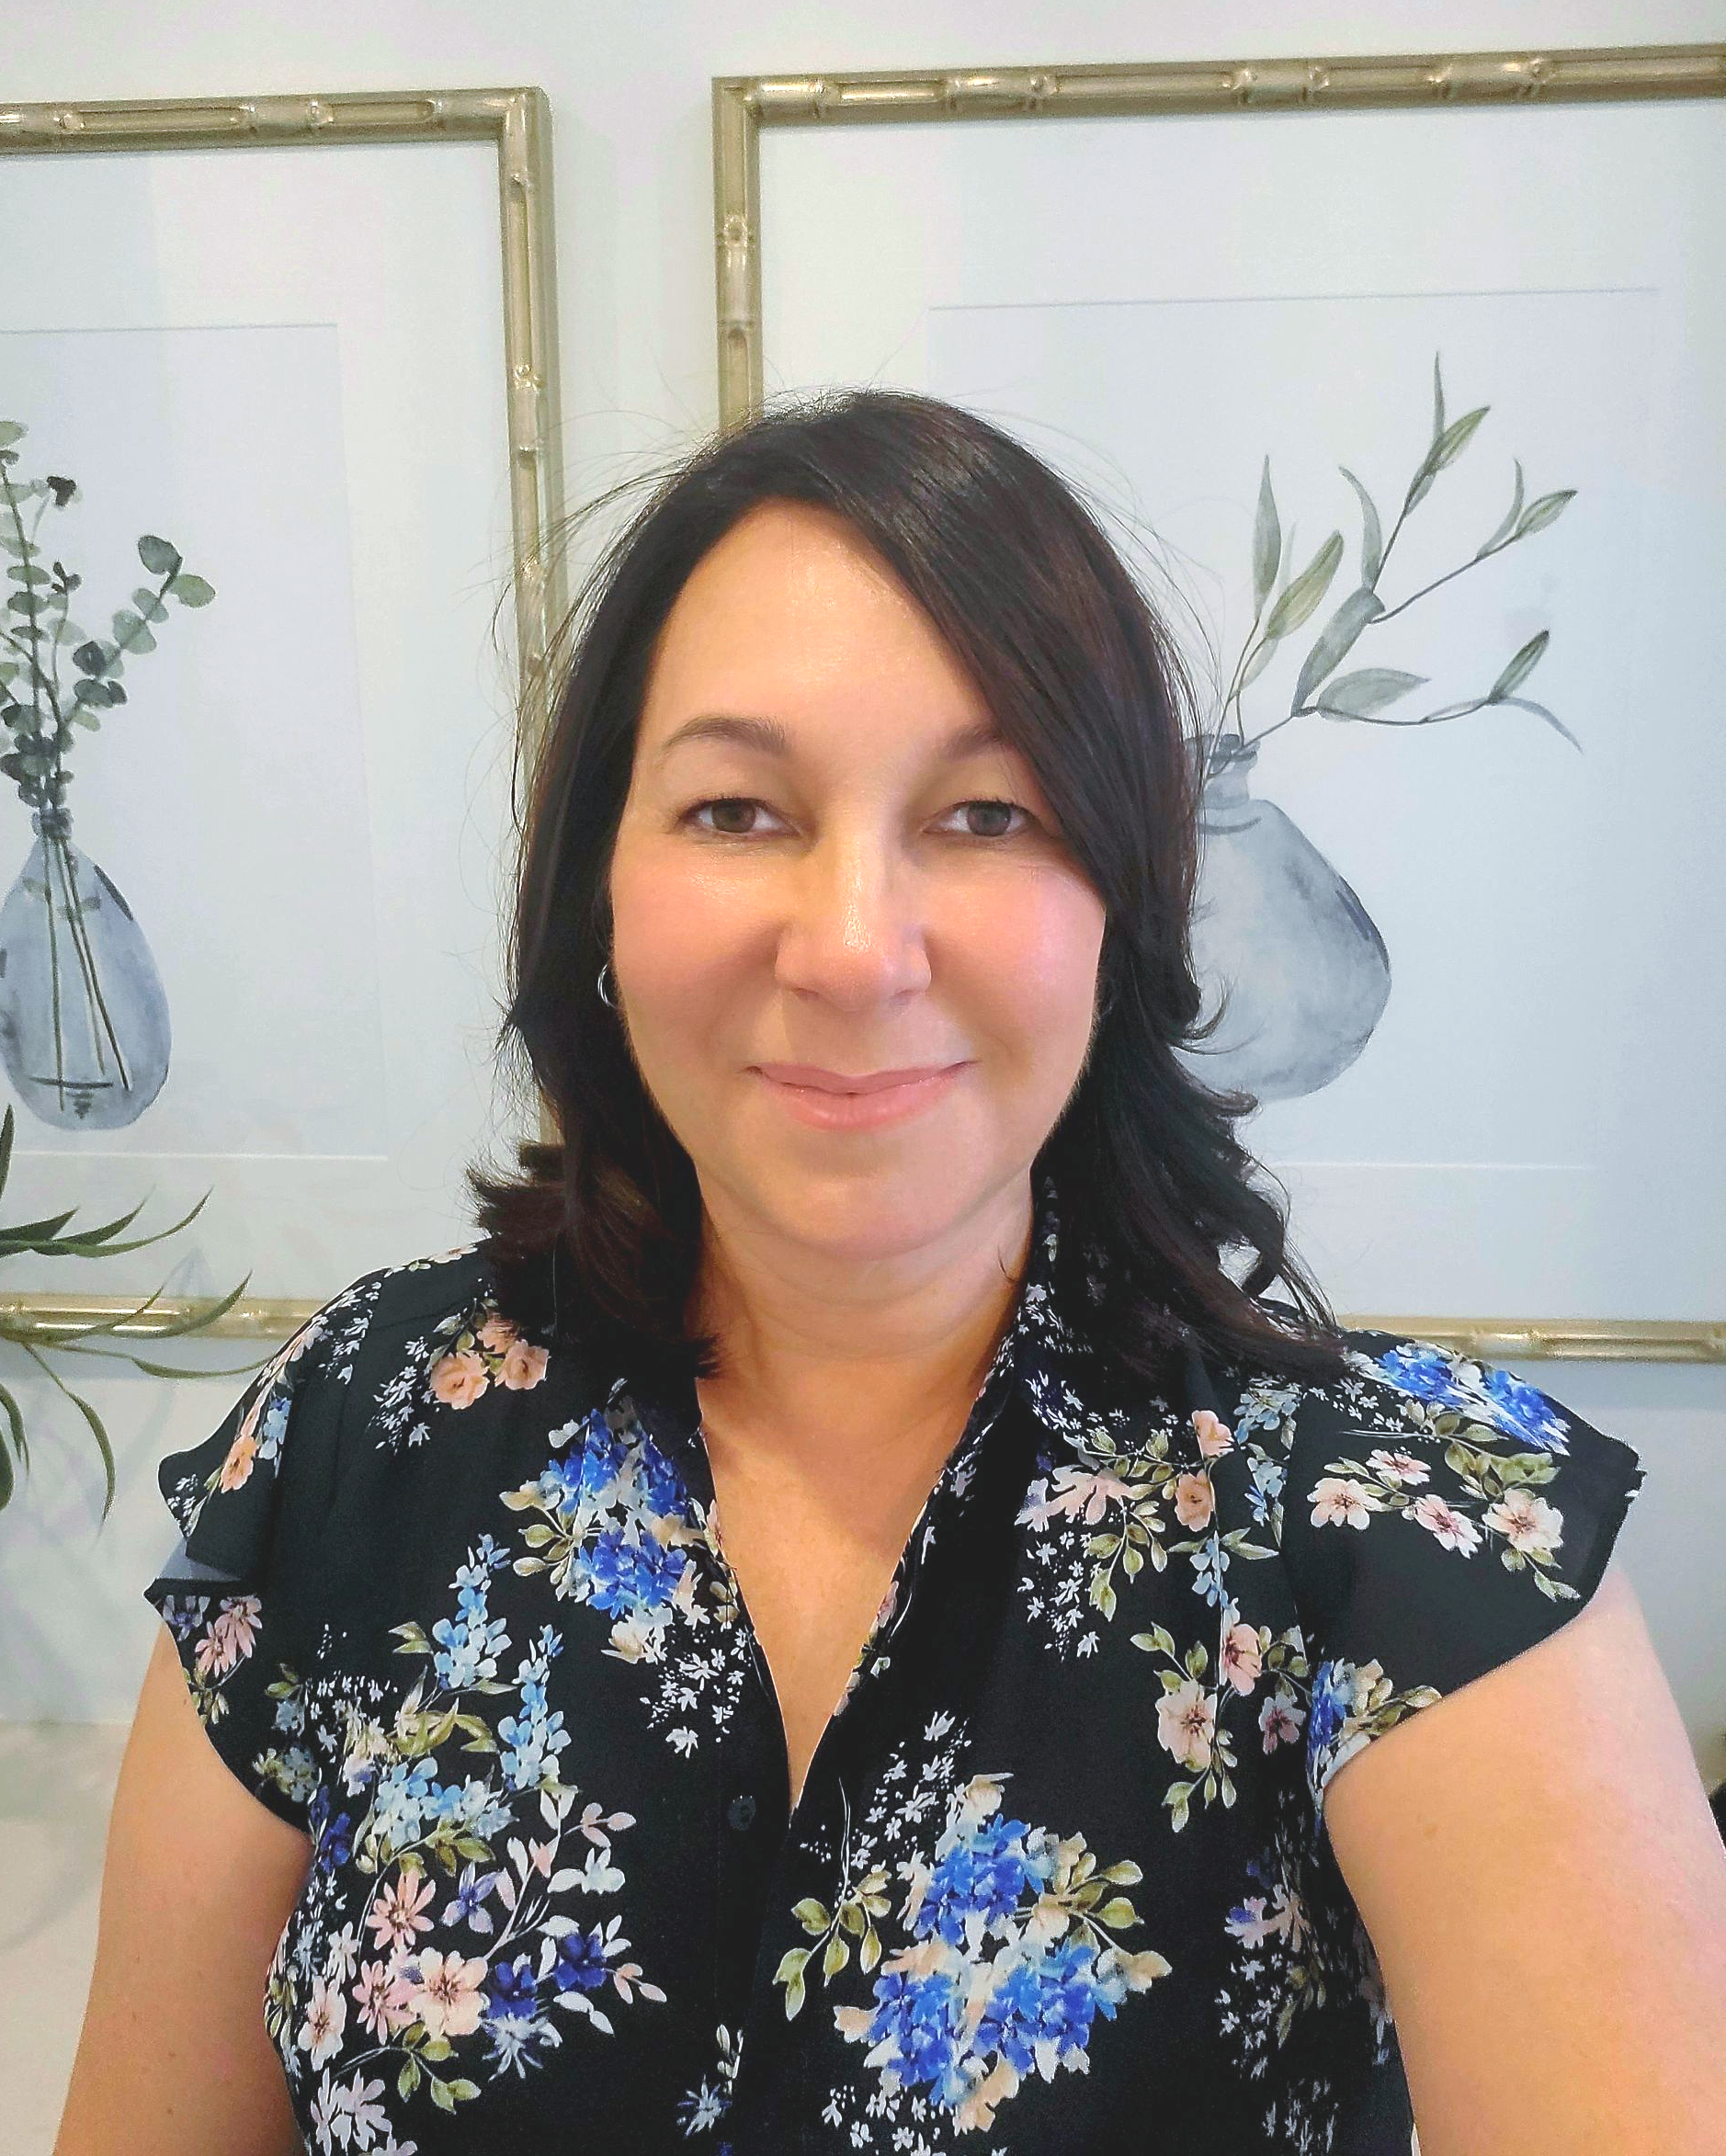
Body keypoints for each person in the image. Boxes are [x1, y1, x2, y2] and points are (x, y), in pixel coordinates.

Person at [56, 390, 1726, 2155]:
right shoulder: (357, 1431)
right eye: (735, 810)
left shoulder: (1414, 1541)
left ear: (1123, 907)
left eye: (989, 813)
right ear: (596, 898)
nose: (854, 948)